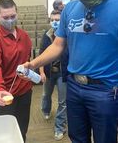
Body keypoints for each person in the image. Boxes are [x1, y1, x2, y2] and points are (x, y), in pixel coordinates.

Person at [20, 0, 118, 143]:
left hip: (105, 90)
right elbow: (58, 45)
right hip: (74, 87)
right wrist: (33, 64)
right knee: (77, 138)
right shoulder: (70, 9)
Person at [0, 0, 33, 142]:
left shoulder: (24, 36)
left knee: (21, 130)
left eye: (13, 16)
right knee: (3, 135)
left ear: (17, 13)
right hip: (4, 94)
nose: (10, 20)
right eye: (5, 17)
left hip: (24, 92)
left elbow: (27, 61)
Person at [39, 10, 67, 141]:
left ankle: (59, 127)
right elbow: (41, 55)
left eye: (58, 20)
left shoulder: (68, 35)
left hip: (62, 73)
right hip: (49, 72)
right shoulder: (46, 35)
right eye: (52, 20)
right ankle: (46, 110)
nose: (55, 22)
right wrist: (41, 72)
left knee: (63, 102)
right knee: (46, 95)